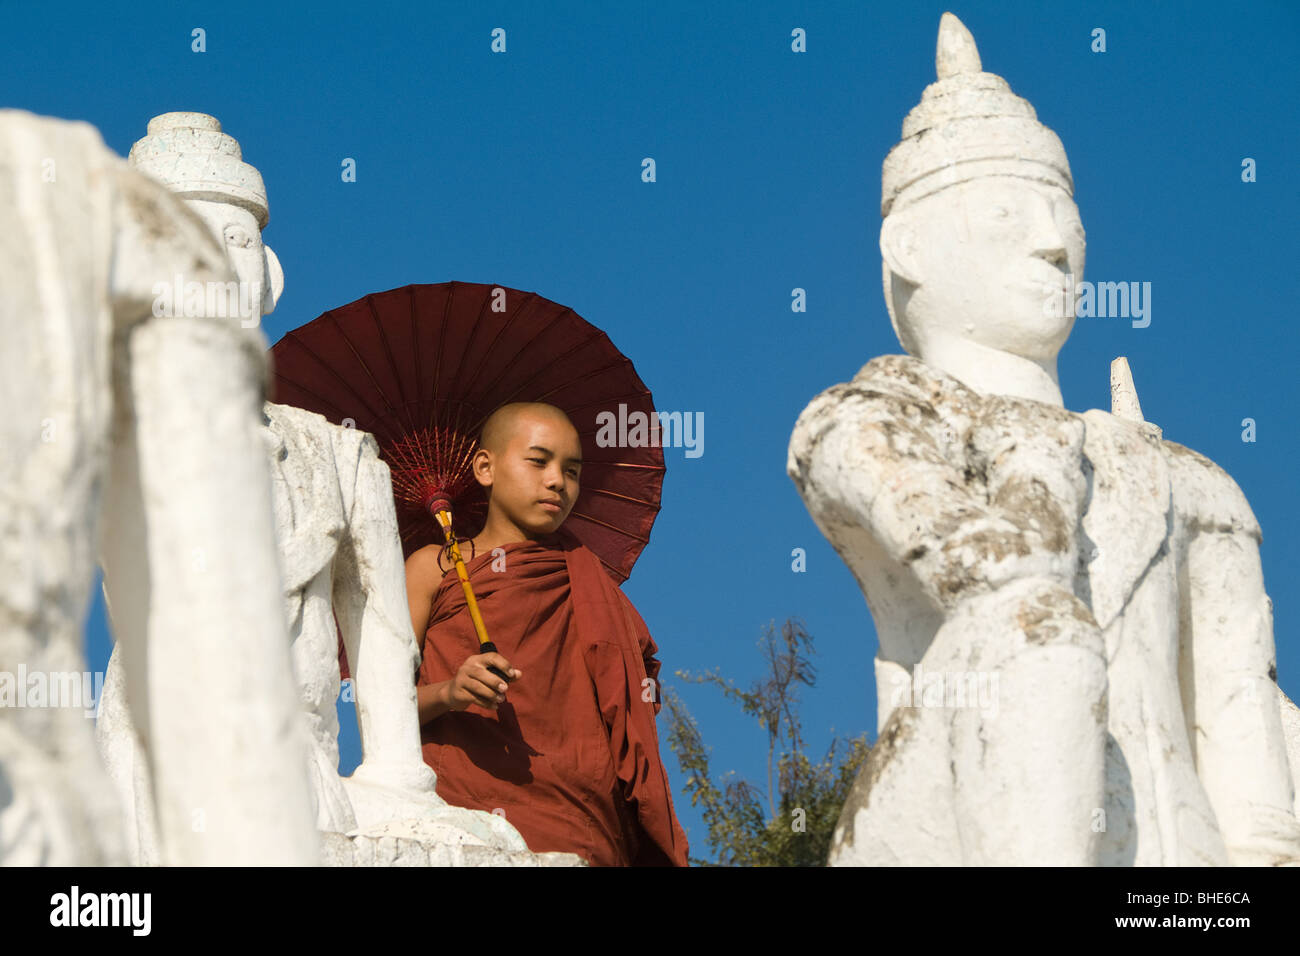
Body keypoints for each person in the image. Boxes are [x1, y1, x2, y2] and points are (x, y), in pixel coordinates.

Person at [406, 401, 689, 866]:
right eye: (538, 462)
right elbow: (380, 712)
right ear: (484, 467)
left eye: (572, 471)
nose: (558, 481)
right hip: (462, 820)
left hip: (581, 822)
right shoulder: (433, 569)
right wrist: (450, 692)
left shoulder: (586, 583)